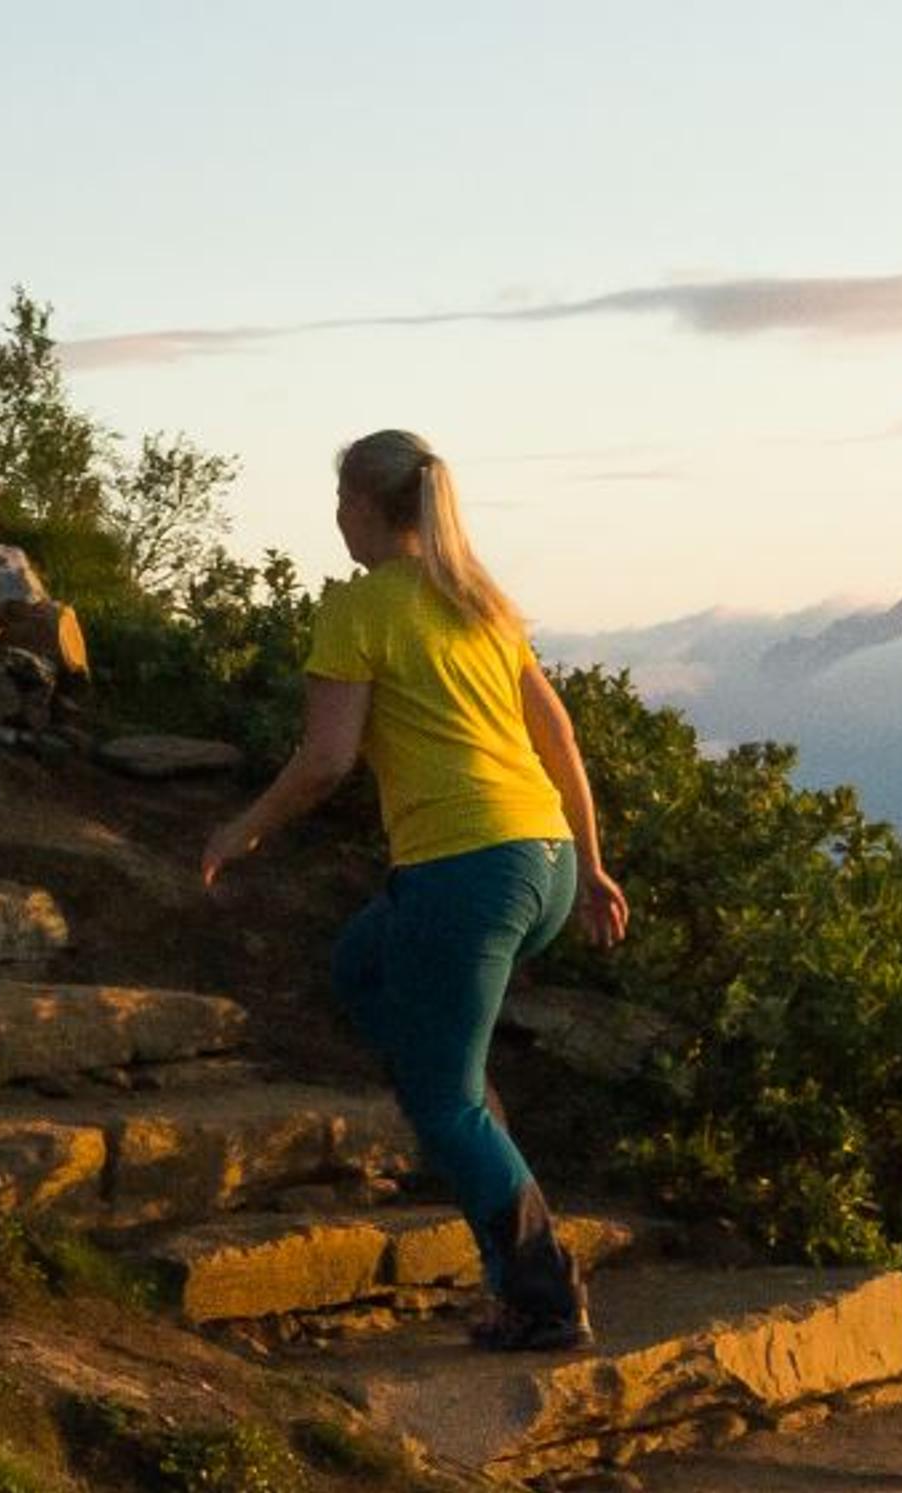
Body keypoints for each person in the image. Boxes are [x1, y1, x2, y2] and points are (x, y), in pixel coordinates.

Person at [198, 429, 633, 1352]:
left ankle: (542, 1294)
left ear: (363, 506)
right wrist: (590, 864)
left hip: (468, 870)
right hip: (543, 862)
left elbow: (325, 758)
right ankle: (474, 1124)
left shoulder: (361, 609)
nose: (337, 520)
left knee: (441, 1099)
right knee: (361, 963)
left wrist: (245, 828)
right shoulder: (481, 602)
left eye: (340, 503)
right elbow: (559, 742)